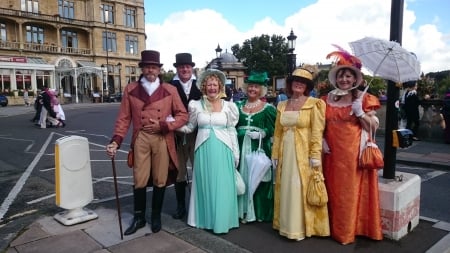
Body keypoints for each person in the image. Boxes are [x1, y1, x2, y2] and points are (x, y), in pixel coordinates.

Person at [106, 50, 188, 235]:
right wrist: (116, 141)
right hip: (141, 138)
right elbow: (124, 118)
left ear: (159, 70)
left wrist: (165, 126)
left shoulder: (170, 90)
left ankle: (156, 216)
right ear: (142, 69)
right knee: (139, 179)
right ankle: (139, 217)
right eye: (147, 67)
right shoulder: (131, 89)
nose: (150, 70)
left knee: (160, 178)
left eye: (154, 67)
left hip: (162, 139)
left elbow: (183, 116)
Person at [322, 49, 382, 244]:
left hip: (352, 155)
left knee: (347, 193)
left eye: (348, 76)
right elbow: (320, 124)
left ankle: (346, 232)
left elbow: (373, 127)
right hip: (329, 153)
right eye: (341, 75)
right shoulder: (326, 99)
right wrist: (321, 140)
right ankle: (326, 228)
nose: (344, 79)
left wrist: (360, 113)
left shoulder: (364, 99)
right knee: (329, 190)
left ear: (355, 78)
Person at [177, 69, 240, 234]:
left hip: (223, 149)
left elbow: (232, 130)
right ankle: (205, 219)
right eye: (209, 84)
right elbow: (190, 127)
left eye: (215, 84)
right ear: (204, 87)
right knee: (206, 184)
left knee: (222, 185)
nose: (212, 87)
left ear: (220, 86)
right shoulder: (195, 105)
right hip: (203, 149)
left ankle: (222, 221)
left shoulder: (229, 106)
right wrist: (173, 125)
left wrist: (235, 153)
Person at [271, 68, 329, 241]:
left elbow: (317, 132)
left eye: (303, 82)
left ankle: (301, 228)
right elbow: (278, 132)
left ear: (307, 86)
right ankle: (286, 225)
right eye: (296, 80)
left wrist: (315, 155)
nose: (298, 84)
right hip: (285, 152)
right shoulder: (282, 105)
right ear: (290, 84)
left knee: (301, 187)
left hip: (303, 153)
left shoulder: (315, 104)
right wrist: (275, 154)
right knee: (287, 187)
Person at [235, 71, 276, 223]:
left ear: (262, 90)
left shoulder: (268, 108)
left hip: (257, 147)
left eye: (256, 87)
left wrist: (262, 134)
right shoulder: (237, 105)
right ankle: (241, 210)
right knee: (241, 177)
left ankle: (257, 211)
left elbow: (274, 129)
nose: (252, 89)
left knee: (257, 178)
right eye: (250, 86)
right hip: (240, 146)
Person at [170, 53, 202, 220]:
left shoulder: (201, 85)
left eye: (187, 66)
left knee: (200, 169)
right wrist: (175, 124)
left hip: (198, 134)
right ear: (177, 68)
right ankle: (181, 205)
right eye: (181, 67)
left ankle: (200, 204)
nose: (185, 69)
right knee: (179, 172)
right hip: (177, 135)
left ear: (191, 68)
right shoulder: (169, 86)